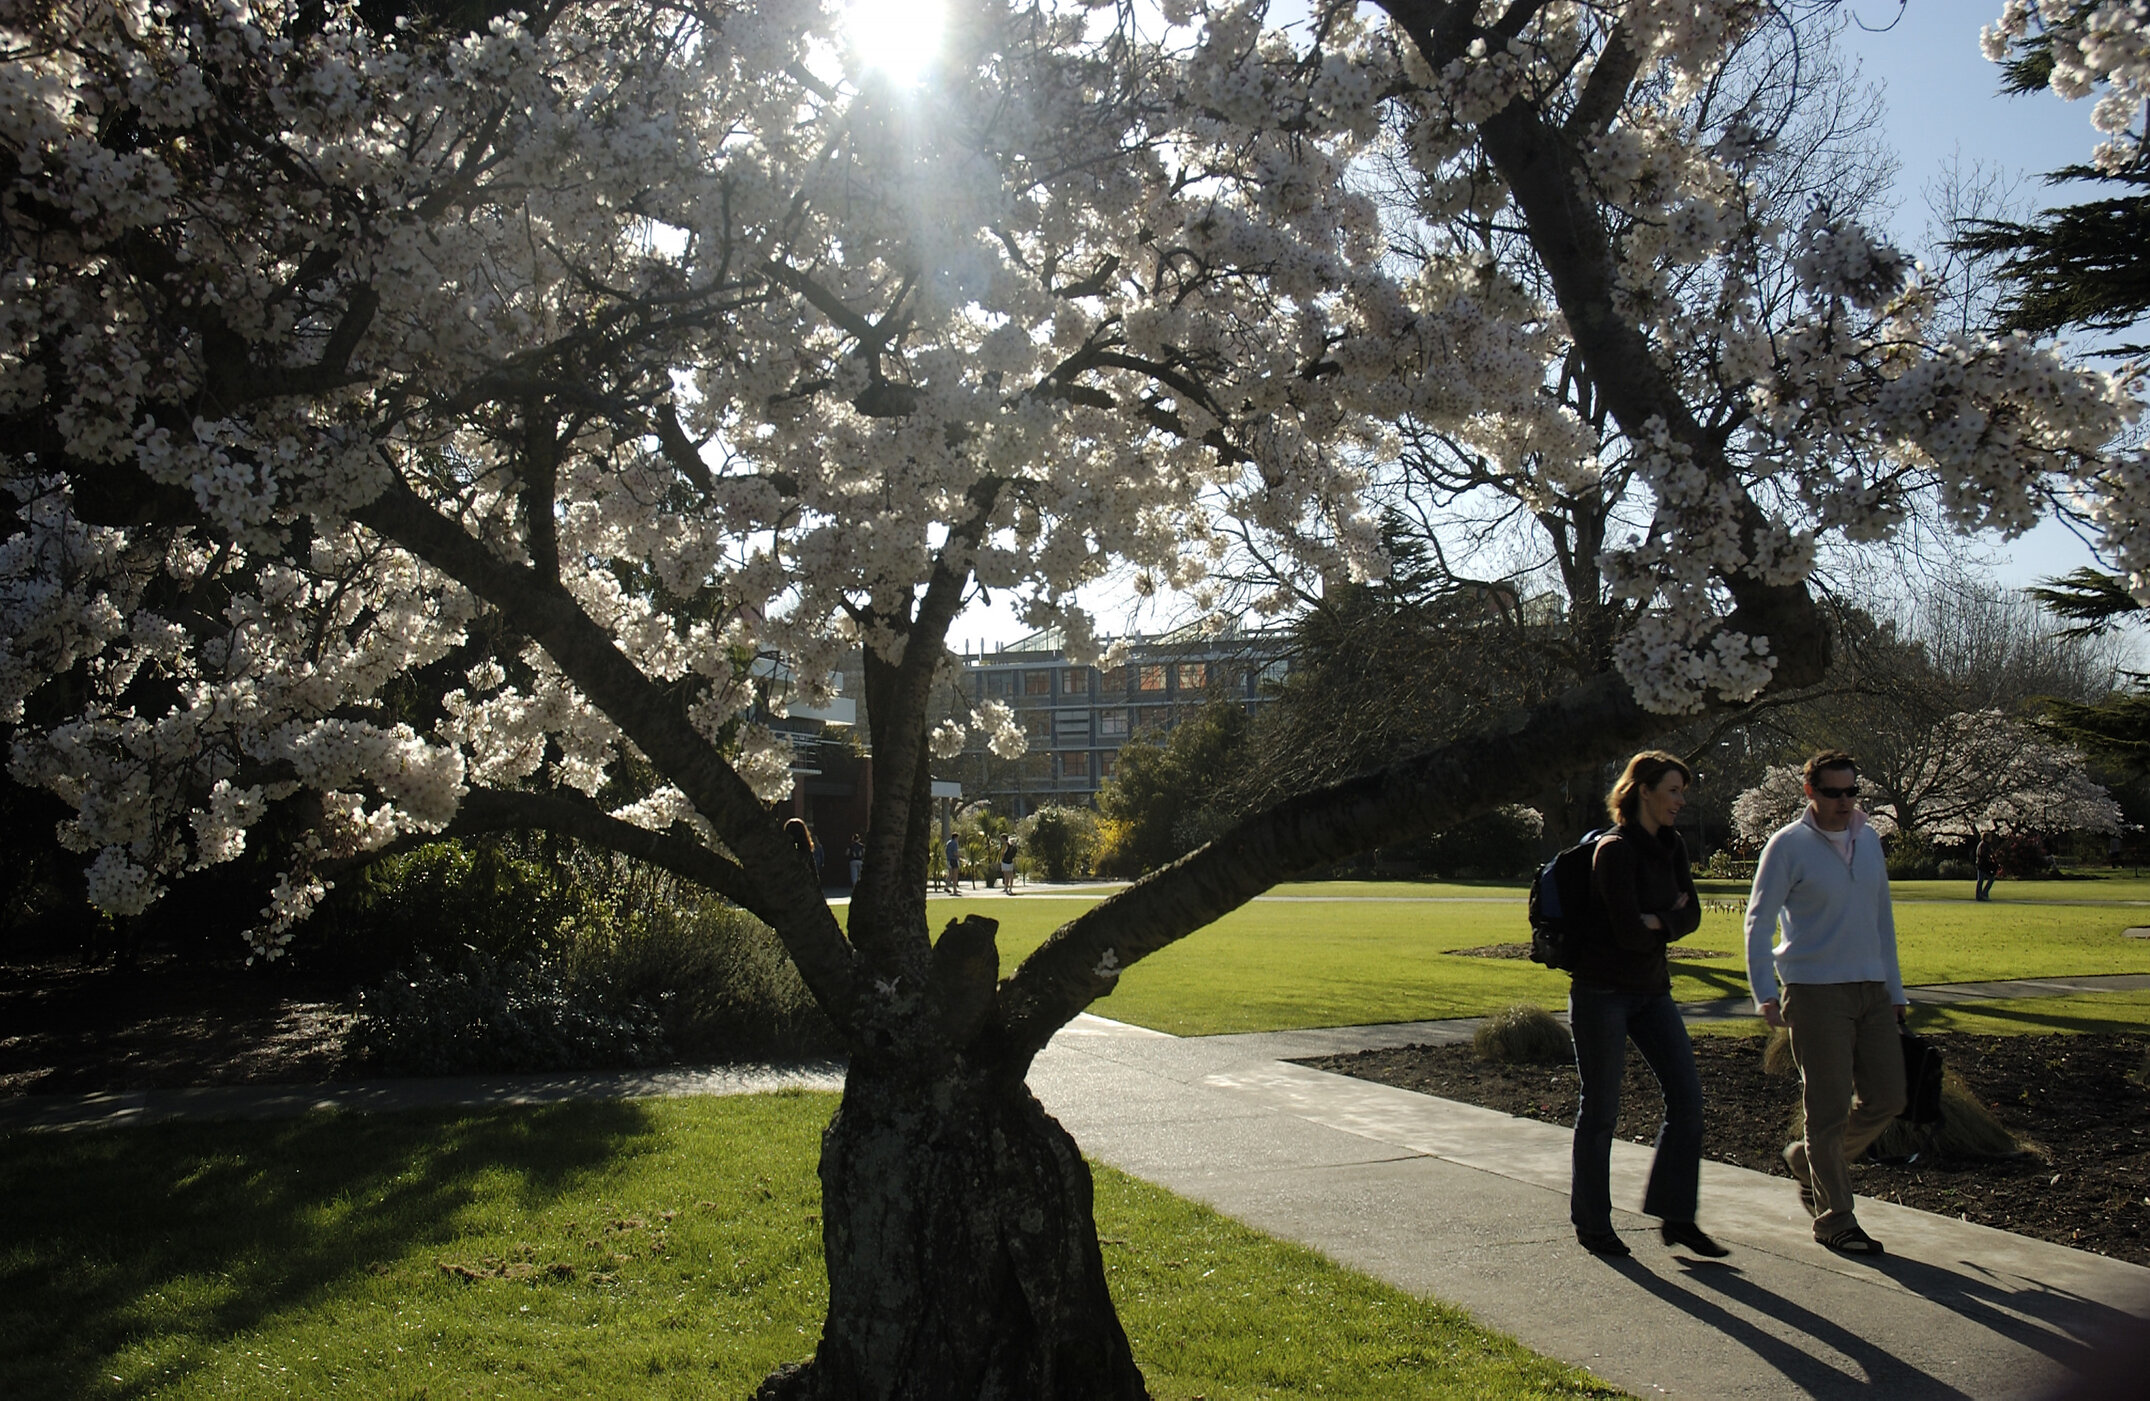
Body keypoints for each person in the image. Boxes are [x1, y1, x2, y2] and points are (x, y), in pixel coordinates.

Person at [1744, 749, 1907, 1258]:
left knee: (1889, 1097)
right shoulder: (1787, 845)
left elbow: (1881, 919)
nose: (1844, 801)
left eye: (1851, 791)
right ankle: (1836, 1218)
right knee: (1828, 1107)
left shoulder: (1869, 839)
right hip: (1814, 991)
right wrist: (1764, 992)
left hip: (1872, 988)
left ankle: (1806, 1162)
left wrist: (1895, 991)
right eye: (1833, 792)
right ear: (1809, 792)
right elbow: (1758, 922)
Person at [1567, 750, 1725, 1259]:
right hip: (1601, 992)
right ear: (1644, 792)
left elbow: (1692, 914)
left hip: (1653, 990)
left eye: (1682, 791)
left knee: (1688, 1100)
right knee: (1601, 1110)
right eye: (1673, 790)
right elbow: (1628, 933)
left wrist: (1656, 919)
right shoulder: (1613, 851)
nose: (1681, 801)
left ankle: (1677, 1217)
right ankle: (1593, 1223)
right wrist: (1664, 917)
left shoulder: (1673, 845)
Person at [1973, 832, 1998, 902]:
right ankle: (1982, 895)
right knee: (1984, 879)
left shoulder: (1984, 845)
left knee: (1982, 880)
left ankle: (1982, 894)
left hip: (1982, 865)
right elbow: (1983, 854)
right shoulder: (1984, 845)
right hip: (1983, 865)